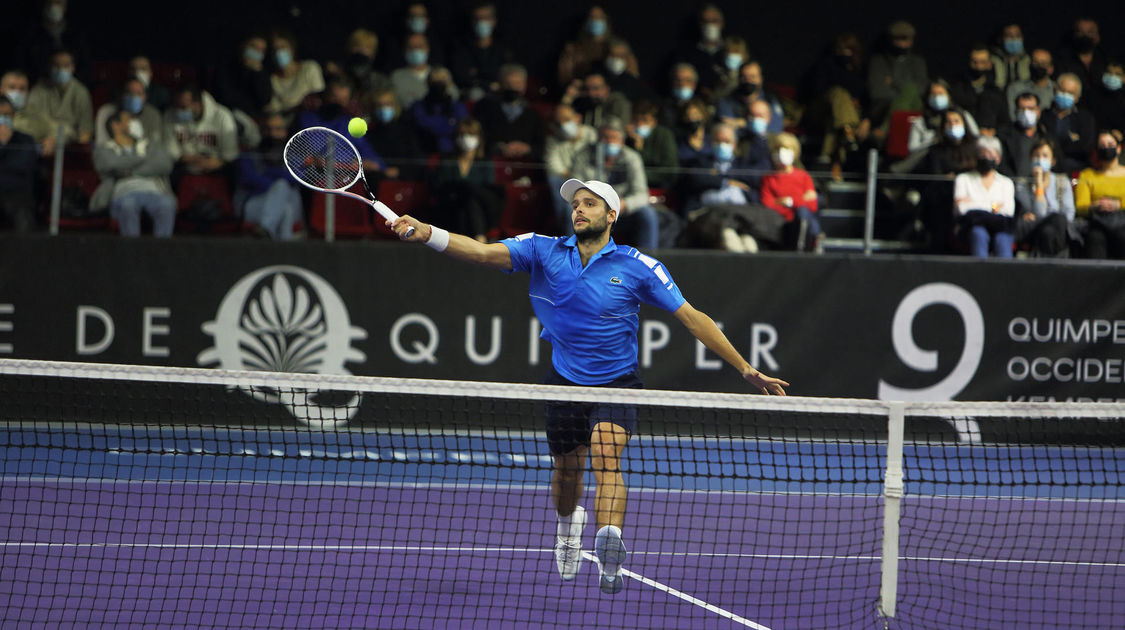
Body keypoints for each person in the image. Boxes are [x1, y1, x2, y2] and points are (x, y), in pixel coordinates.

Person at [385, 178, 788, 595]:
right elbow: (483, 253)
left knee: (606, 455)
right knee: (566, 475)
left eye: (590, 204)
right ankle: (567, 527)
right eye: (576, 204)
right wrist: (429, 233)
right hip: (565, 384)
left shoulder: (638, 266)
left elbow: (692, 317)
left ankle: (610, 538)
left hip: (618, 384)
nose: (579, 209)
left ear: (611, 215)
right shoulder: (541, 249)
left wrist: (744, 368)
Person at [570, 117, 660, 249]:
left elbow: (642, 194)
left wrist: (623, 204)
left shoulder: (632, 158)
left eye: (615, 138)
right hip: (591, 211)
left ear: (622, 140)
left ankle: (646, 263)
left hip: (622, 213)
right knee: (572, 210)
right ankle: (574, 257)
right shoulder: (582, 156)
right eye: (606, 137)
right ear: (598, 138)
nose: (610, 142)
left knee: (647, 214)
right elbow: (576, 191)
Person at [92, 109, 176, 237]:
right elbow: (110, 164)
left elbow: (165, 164)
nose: (135, 122)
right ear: (116, 125)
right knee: (128, 206)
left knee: (166, 204)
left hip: (153, 191)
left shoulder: (150, 146)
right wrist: (144, 159)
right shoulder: (104, 149)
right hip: (124, 193)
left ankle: (162, 252)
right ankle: (131, 252)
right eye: (129, 120)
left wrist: (130, 171)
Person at [429, 118, 501, 242]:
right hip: (452, 206)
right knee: (467, 200)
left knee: (471, 200)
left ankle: (474, 240)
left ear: (478, 138)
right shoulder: (448, 160)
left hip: (481, 209)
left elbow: (488, 188)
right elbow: (441, 187)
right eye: (462, 134)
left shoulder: (485, 162)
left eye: (470, 134)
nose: (466, 138)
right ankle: (480, 239)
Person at [236, 115, 302, 240]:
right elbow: (248, 179)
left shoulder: (294, 156)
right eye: (268, 129)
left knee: (283, 192)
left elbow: (296, 178)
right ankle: (285, 252)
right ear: (262, 131)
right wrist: (277, 180)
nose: (272, 133)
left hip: (288, 206)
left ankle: (266, 229)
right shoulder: (250, 155)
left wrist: (268, 172)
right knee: (284, 205)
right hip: (256, 205)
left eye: (278, 129)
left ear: (284, 132)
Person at [954, 136, 1016, 258]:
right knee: (978, 233)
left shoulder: (1006, 183)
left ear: (998, 158)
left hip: (1000, 228)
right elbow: (961, 209)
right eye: (982, 154)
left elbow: (1008, 212)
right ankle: (979, 275)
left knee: (1003, 237)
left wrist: (974, 206)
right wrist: (993, 206)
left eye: (990, 154)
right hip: (970, 228)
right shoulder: (963, 179)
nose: (986, 158)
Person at [761, 132, 822, 251]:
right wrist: (801, 199)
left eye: (786, 149)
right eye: (778, 149)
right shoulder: (768, 178)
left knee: (803, 213)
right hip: (779, 221)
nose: (781, 153)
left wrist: (789, 201)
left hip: (802, 219)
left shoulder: (803, 176)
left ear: (794, 152)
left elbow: (812, 205)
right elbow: (767, 204)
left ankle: (806, 245)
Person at [1013, 139, 1074, 257]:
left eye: (1045, 156)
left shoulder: (1062, 181)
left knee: (1051, 229)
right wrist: (1039, 186)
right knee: (1055, 221)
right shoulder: (1022, 185)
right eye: (1036, 156)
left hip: (1058, 229)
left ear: (1053, 161)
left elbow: (1069, 213)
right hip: (1032, 230)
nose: (1040, 159)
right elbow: (1039, 214)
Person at [473, 63, 545, 160]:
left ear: (524, 86)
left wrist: (527, 148)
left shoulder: (533, 114)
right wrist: (498, 147)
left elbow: (541, 146)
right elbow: (477, 138)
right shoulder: (484, 108)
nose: (513, 88)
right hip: (492, 163)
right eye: (509, 84)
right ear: (500, 84)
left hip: (524, 166)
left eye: (517, 84)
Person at [163, 85, 239, 177]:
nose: (178, 111)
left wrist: (215, 163)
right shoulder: (170, 116)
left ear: (198, 104)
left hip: (217, 167)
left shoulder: (223, 117)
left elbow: (230, 154)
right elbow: (171, 150)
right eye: (177, 106)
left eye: (183, 107)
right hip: (184, 166)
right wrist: (193, 159)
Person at [545, 104, 597, 233]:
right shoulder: (554, 140)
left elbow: (595, 162)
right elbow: (552, 165)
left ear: (577, 118)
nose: (563, 124)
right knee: (554, 180)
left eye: (567, 120)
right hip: (566, 179)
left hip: (590, 180)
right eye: (559, 122)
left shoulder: (591, 134)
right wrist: (570, 174)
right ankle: (567, 237)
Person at [867, 20, 928, 128]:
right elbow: (877, 92)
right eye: (899, 39)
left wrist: (894, 83)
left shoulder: (917, 62)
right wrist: (904, 94)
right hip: (883, 110)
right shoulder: (879, 61)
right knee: (907, 95)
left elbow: (921, 89)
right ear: (891, 39)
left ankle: (884, 130)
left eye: (906, 39)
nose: (903, 43)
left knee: (910, 92)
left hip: (913, 110)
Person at [1074, 131, 1125, 259]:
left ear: (1119, 148)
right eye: (1102, 146)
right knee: (1095, 238)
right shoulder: (1087, 175)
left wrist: (1118, 204)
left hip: (1122, 221)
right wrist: (1095, 206)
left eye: (1110, 144)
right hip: (1097, 222)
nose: (1106, 148)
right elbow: (1080, 207)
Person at [449, 1, 513, 100]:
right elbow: (462, 77)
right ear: (472, 22)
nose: (481, 22)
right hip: (471, 96)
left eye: (486, 18)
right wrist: (487, 84)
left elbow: (507, 73)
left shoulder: (503, 49)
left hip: (499, 96)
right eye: (478, 19)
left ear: (494, 21)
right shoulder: (461, 49)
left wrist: (478, 75)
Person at [26, 49, 92, 144]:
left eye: (65, 65)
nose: (61, 69)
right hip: (41, 139)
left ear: (73, 67)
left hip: (70, 143)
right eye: (56, 65)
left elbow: (86, 130)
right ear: (49, 67)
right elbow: (31, 120)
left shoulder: (81, 92)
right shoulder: (39, 89)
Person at [265, 28, 325, 122]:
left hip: (311, 123)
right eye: (275, 49)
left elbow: (318, 97)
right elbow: (275, 110)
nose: (278, 52)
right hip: (287, 127)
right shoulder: (272, 79)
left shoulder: (309, 68)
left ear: (292, 49)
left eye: (282, 47)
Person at [366, 88, 426, 180]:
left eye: (388, 104)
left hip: (405, 182)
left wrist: (399, 171)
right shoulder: (370, 133)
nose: (384, 108)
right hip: (376, 181)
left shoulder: (407, 131)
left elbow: (418, 161)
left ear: (395, 106)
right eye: (380, 105)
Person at [1041, 73, 1096, 173]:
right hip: (1047, 167)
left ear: (1077, 97)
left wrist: (1056, 147)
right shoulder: (1043, 115)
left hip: (1076, 169)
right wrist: (1070, 140)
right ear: (1054, 90)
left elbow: (1085, 147)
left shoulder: (1085, 118)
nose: (1065, 95)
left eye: (1070, 93)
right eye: (1062, 90)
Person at [907, 80, 980, 155]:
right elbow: (912, 149)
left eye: (940, 94)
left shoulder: (962, 115)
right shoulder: (920, 122)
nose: (937, 97)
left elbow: (976, 138)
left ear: (948, 96)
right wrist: (933, 143)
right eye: (933, 94)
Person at [950, 44, 1009, 135]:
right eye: (975, 62)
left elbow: (1005, 123)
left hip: (990, 142)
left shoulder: (996, 92)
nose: (979, 66)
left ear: (989, 64)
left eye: (983, 62)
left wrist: (993, 132)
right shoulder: (957, 89)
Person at [0, 97, 39, 233]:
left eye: (6, 115)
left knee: (24, 214)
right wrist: (2, 145)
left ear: (13, 116)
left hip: (17, 195)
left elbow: (23, 165)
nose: (3, 119)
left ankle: (26, 253)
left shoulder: (25, 140)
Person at [213, 34, 274, 119]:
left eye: (261, 50)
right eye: (253, 47)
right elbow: (226, 97)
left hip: (255, 118)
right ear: (243, 46)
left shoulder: (261, 72)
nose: (256, 52)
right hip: (229, 115)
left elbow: (265, 101)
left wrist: (258, 74)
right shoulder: (225, 68)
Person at [409, 67, 468, 155]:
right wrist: (448, 122)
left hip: (452, 153)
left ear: (449, 83)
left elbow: (460, 126)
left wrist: (435, 122)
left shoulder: (458, 106)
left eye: (442, 80)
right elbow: (421, 124)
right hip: (424, 150)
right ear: (428, 83)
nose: (438, 83)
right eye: (435, 80)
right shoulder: (418, 106)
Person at [557, 5, 617, 88]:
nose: (595, 20)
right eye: (592, 17)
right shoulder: (573, 48)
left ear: (606, 20)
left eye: (599, 17)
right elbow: (564, 76)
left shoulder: (616, 47)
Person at [1, 70, 57, 156]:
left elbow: (60, 129)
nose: (17, 92)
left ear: (28, 92)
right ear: (1, 89)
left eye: (22, 89)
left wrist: (53, 139)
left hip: (24, 163)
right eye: (12, 87)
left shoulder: (36, 116)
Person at [625, 100, 678, 190]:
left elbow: (670, 171)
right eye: (636, 120)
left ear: (654, 122)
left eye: (645, 120)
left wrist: (640, 150)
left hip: (659, 186)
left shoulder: (664, 135)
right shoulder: (626, 137)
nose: (640, 124)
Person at [94, 77, 162, 146]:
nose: (134, 97)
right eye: (129, 92)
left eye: (138, 93)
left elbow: (155, 147)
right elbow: (102, 146)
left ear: (145, 96)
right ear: (122, 94)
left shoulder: (153, 115)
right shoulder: (106, 112)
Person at [998, 92, 1046, 177]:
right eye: (1022, 109)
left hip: (1040, 184)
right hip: (1013, 184)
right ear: (1016, 111)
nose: (1026, 113)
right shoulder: (1004, 136)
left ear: (1038, 111)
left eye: (1030, 109)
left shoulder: (1045, 136)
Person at [1005, 48, 1056, 121]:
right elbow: (1012, 117)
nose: (1039, 66)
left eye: (1043, 63)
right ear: (1030, 65)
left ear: (1051, 69)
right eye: (1036, 62)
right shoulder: (1016, 88)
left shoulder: (1056, 89)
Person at [1088, 60, 1125, 136]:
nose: (1112, 76)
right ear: (1103, 73)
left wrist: (1122, 133)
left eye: (1117, 74)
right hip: (1093, 135)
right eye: (1109, 72)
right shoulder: (1091, 94)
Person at [990, 23, 1030, 89]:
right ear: (1001, 39)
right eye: (1009, 36)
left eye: (1017, 36)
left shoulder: (1028, 59)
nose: (1014, 39)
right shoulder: (993, 60)